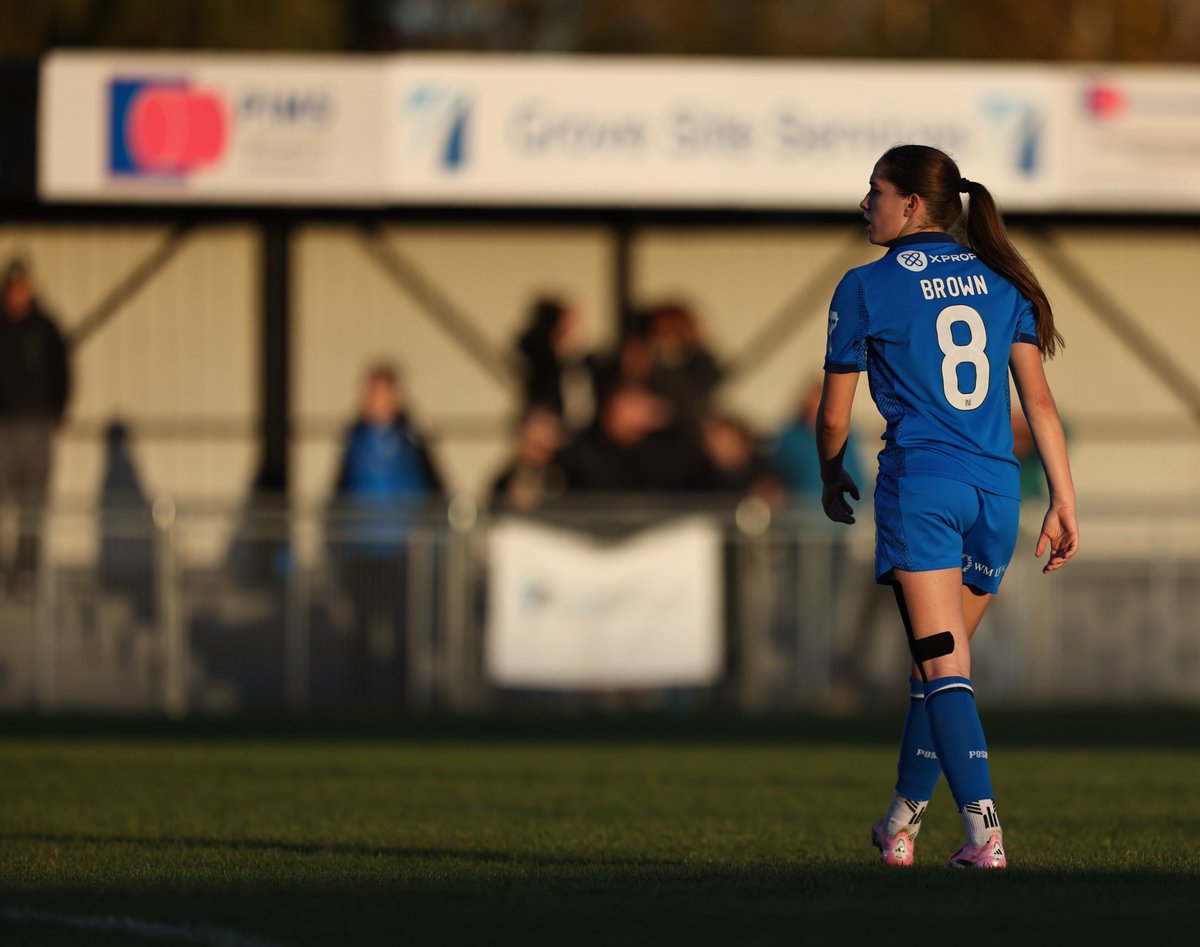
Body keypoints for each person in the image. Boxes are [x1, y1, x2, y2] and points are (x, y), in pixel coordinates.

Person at [816, 144, 1078, 869]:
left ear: (912, 204)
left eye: (875, 191)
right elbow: (1042, 405)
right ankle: (899, 824)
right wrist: (1063, 500)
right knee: (937, 668)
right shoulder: (1003, 282)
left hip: (923, 485)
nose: (864, 204)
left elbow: (835, 417)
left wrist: (829, 471)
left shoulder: (864, 285)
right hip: (996, 491)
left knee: (942, 668)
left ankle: (984, 835)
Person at [327, 363, 444, 703]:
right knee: (360, 628)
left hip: (401, 550)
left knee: (403, 628)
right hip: (361, 548)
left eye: (381, 393)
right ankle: (360, 700)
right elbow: (341, 489)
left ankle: (403, 699)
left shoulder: (412, 437)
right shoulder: (354, 438)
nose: (374, 400)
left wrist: (424, 530)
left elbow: (435, 488)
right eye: (369, 392)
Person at [0, 257, 70, 597]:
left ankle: (27, 574)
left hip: (36, 424)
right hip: (3, 426)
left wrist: (58, 412)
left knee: (32, 504)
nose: (17, 294)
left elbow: (63, 370)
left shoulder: (44, 328)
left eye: (22, 287)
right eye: (12, 287)